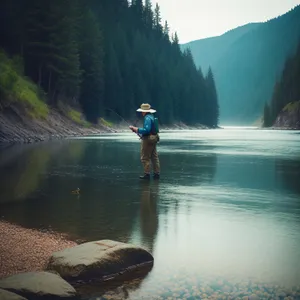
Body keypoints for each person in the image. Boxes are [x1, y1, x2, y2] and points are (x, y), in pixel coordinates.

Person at [129, 103, 160, 180]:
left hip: (149, 139)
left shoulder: (147, 118)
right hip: (154, 137)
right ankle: (156, 174)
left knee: (145, 157)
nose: (141, 113)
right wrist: (137, 130)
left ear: (144, 111)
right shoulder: (152, 116)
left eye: (142, 111)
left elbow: (146, 130)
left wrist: (136, 129)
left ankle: (147, 174)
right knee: (154, 157)